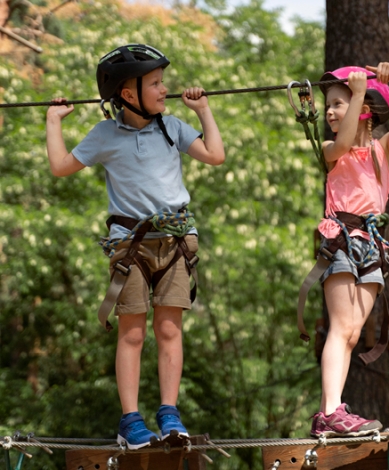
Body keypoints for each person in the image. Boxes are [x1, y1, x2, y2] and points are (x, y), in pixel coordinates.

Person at [46, 44, 225, 449]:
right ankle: (130, 420)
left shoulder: (172, 126)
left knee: (169, 328)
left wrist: (203, 112)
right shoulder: (105, 135)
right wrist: (54, 121)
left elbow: (215, 155)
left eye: (164, 82)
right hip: (130, 246)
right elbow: (60, 167)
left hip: (177, 241)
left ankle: (169, 412)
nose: (165, 90)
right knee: (132, 332)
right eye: (156, 83)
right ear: (128, 95)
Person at [309, 62, 389, 437]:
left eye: (338, 103)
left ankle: (333, 410)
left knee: (354, 333)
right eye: (329, 106)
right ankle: (329, 410)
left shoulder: (381, 149)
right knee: (340, 327)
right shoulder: (330, 149)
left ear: (365, 111)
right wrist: (356, 92)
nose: (330, 112)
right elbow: (341, 145)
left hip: (372, 246)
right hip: (341, 239)